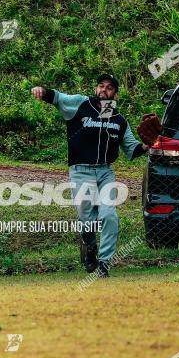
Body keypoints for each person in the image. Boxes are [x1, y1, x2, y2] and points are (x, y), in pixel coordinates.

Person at [31, 74, 149, 277]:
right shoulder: (80, 104)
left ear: (116, 95)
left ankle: (104, 264)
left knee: (109, 216)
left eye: (110, 87)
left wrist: (149, 144)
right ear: (96, 89)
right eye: (101, 86)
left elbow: (132, 149)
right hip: (80, 171)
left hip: (105, 172)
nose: (104, 90)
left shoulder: (119, 120)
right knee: (87, 221)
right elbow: (58, 98)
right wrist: (43, 92)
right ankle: (90, 245)